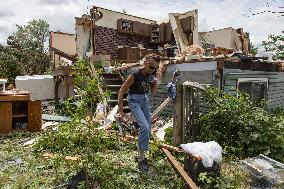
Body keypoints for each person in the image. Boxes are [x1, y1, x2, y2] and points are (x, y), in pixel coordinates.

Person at [117, 54, 163, 172]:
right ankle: (141, 159)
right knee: (145, 127)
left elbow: (153, 93)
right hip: (134, 101)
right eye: (152, 67)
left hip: (144, 100)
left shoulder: (151, 75)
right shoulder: (135, 75)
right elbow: (121, 91)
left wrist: (156, 80)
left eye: (156, 68)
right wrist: (121, 111)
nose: (154, 70)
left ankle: (141, 153)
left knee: (148, 130)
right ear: (147, 62)